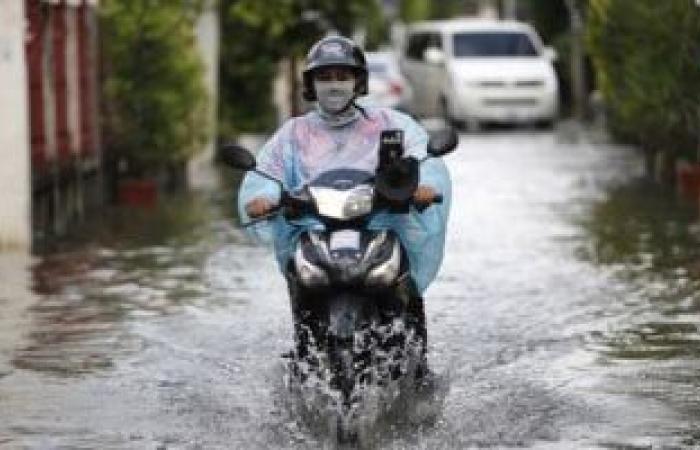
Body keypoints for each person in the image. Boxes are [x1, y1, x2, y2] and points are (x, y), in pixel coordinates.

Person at [238, 35, 452, 380]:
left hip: (379, 227)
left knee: (403, 282)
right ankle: (304, 353)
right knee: (301, 277)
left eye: (342, 76)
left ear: (359, 81)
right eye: (325, 77)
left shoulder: (390, 125)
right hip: (316, 231)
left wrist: (423, 185)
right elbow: (267, 172)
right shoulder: (293, 135)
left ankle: (417, 365)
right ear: (311, 84)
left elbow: (423, 155)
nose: (333, 85)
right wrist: (264, 196)